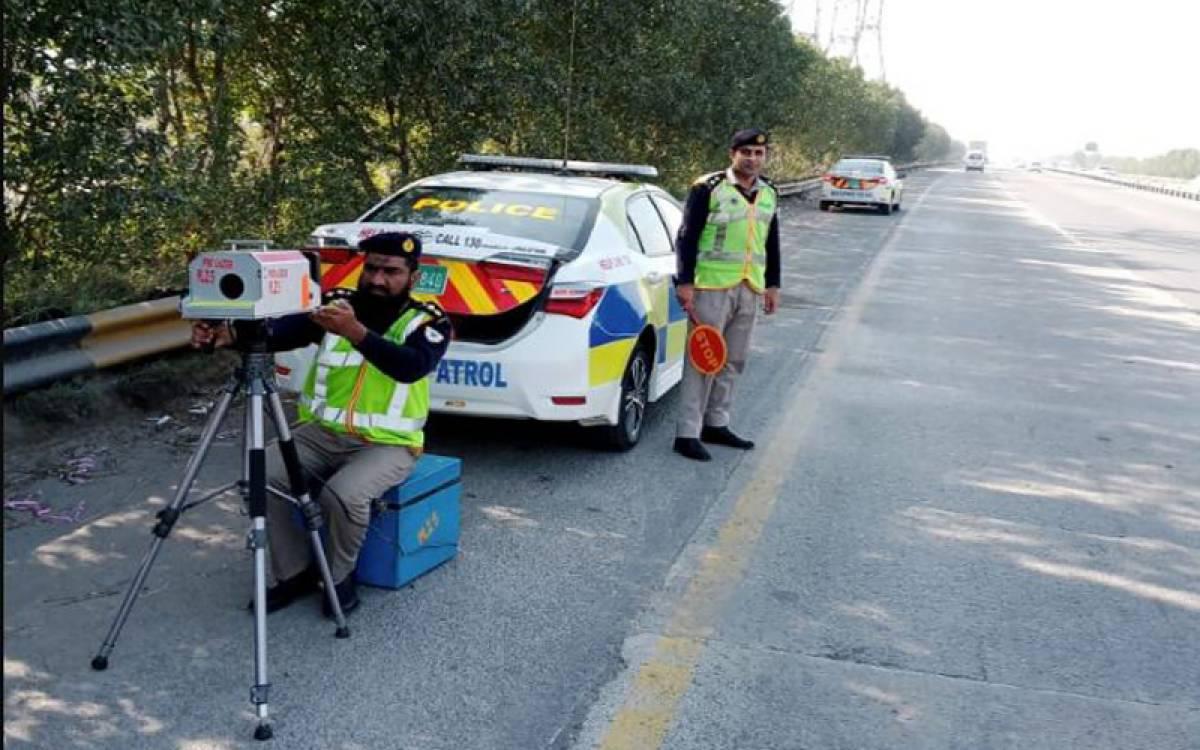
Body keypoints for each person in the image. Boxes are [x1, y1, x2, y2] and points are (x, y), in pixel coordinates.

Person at [191, 232, 452, 616]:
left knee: (342, 496)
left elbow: (411, 367)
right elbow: (281, 332)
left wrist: (356, 333)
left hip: (388, 443)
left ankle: (337, 577)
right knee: (262, 476)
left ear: (413, 277)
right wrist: (226, 336)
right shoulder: (336, 305)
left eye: (391, 272)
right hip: (322, 433)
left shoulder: (429, 321)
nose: (378, 279)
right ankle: (293, 572)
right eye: (373, 268)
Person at [673, 128, 782, 462]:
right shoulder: (708, 188)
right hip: (711, 288)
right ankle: (687, 433)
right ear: (732, 153)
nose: (752, 159)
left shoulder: (768, 192)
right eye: (746, 152)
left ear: (765, 157)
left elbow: (770, 240)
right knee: (703, 360)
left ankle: (716, 423)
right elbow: (687, 237)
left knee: (733, 360)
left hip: (750, 285)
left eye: (759, 153)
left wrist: (773, 285)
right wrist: (685, 282)